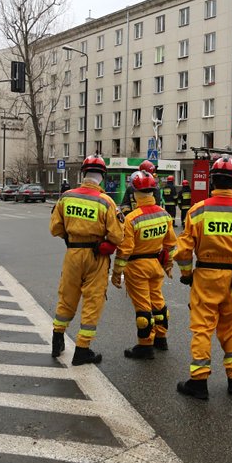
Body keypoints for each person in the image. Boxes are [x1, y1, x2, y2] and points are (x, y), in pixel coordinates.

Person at [174, 156, 232, 400]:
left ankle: (199, 382)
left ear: (213, 181)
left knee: (203, 328)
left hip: (205, 277)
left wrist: (186, 275)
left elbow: (182, 252)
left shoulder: (198, 211)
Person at [49, 155, 124, 366]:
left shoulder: (66, 197)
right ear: (103, 176)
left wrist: (70, 237)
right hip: (96, 255)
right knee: (93, 300)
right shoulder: (106, 202)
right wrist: (106, 244)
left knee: (67, 296)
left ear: (83, 174)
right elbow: (118, 237)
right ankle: (82, 350)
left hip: (73, 253)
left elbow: (55, 228)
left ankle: (57, 340)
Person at [111, 170, 177, 359]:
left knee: (143, 307)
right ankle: (161, 338)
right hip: (156, 264)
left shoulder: (132, 218)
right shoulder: (164, 215)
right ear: (153, 191)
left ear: (134, 193)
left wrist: (117, 273)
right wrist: (169, 265)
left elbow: (125, 250)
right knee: (158, 301)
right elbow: (170, 244)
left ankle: (145, 346)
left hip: (137, 267)